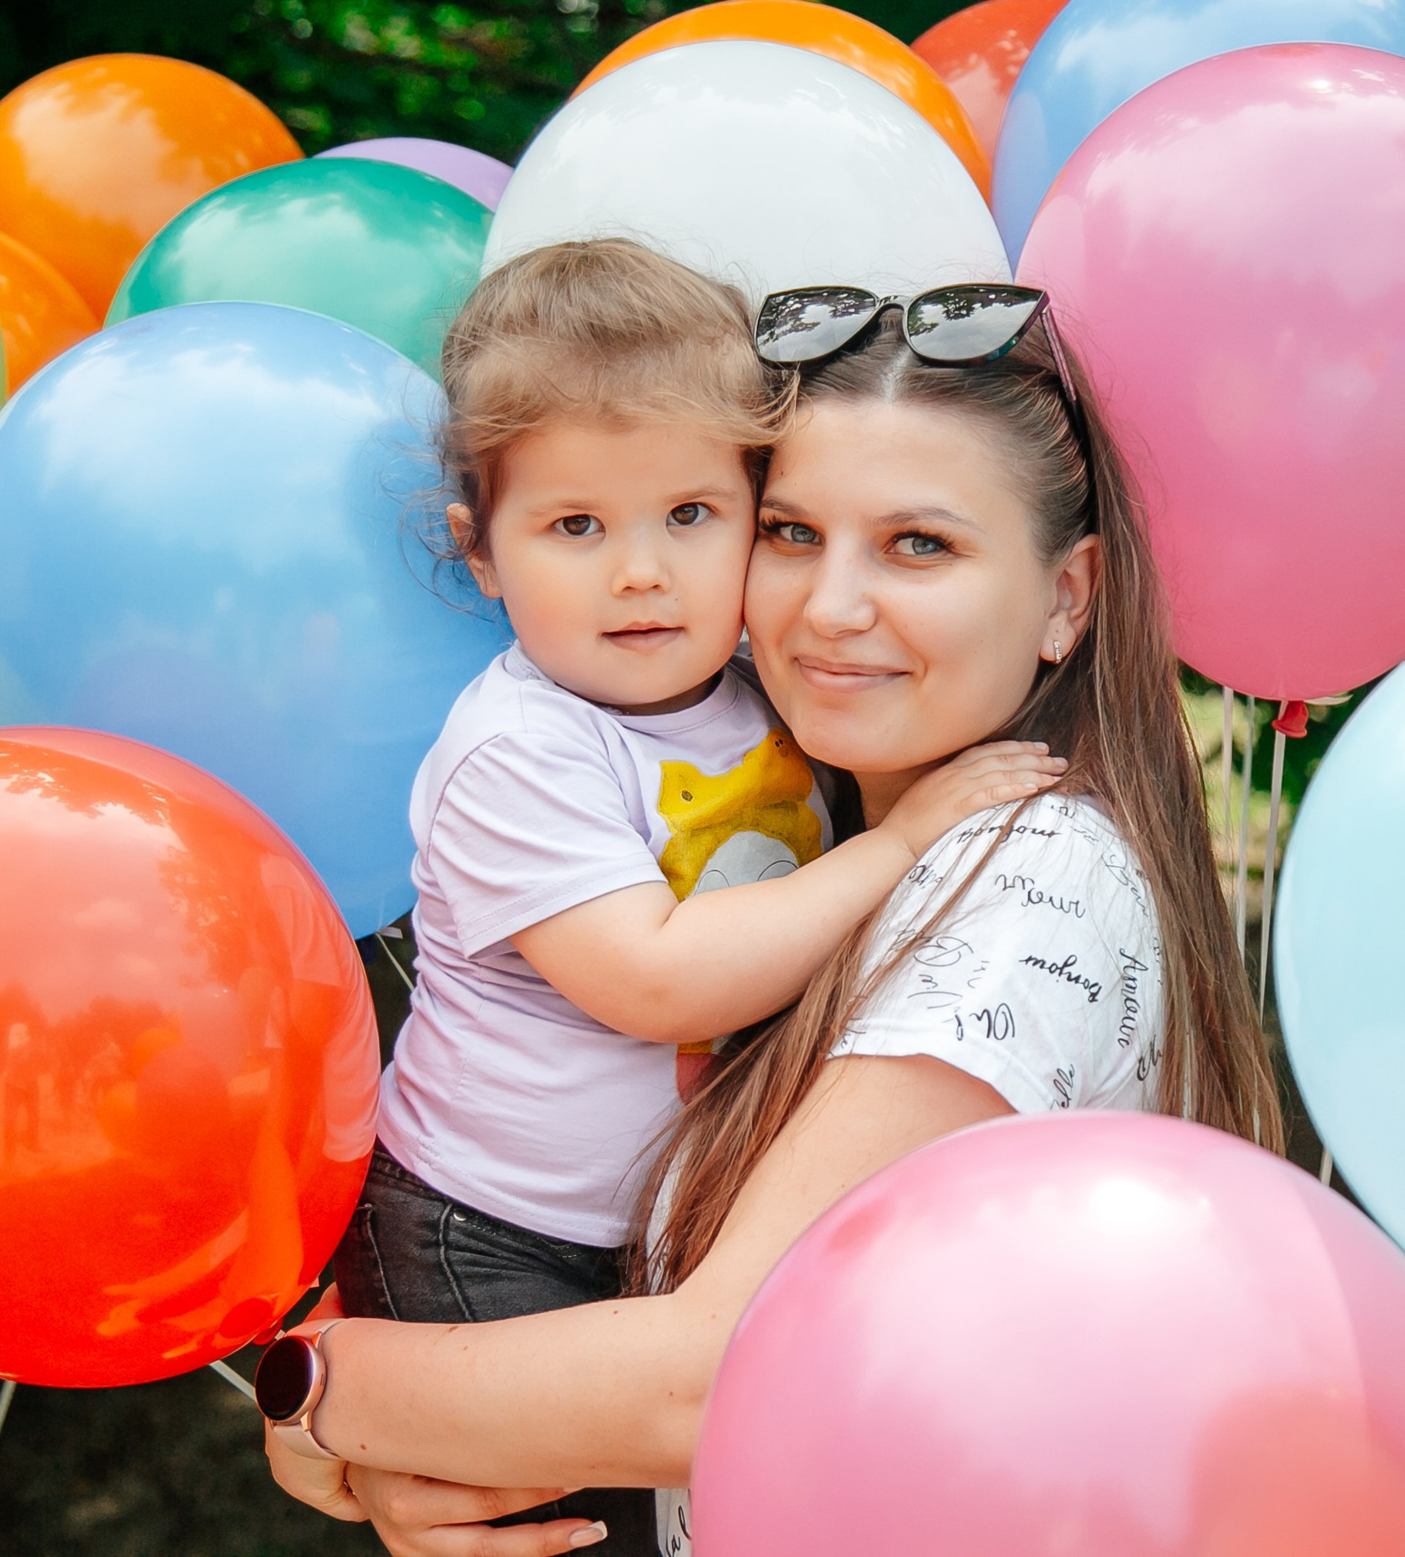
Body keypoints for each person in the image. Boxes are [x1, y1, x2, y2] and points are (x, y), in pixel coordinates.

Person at [266, 284, 1281, 1557]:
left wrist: (324, 1395)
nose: (829, 607)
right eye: (793, 532)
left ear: (1066, 595)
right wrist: (458, 1417)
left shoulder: (1030, 887)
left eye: (920, 545)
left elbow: (708, 1376)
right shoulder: (815, 809)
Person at [350, 245, 1068, 1551]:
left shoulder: (756, 691)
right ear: (481, 551)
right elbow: (655, 978)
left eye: (690, 514)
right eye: (577, 526)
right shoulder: (520, 750)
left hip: (642, 1241)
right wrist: (901, 843)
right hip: (485, 1229)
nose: (642, 572)